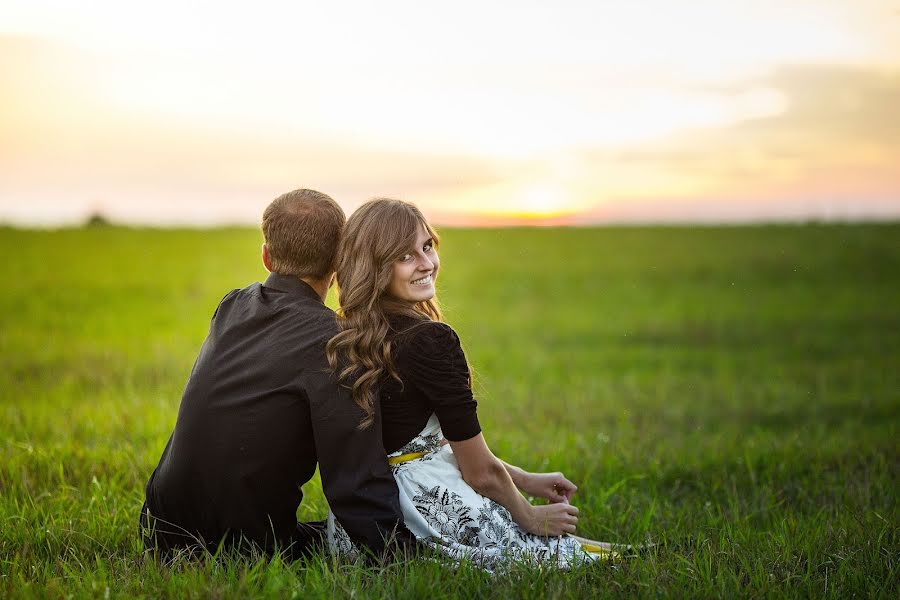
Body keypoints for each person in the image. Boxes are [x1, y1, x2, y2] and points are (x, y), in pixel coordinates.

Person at [324, 198, 618, 569]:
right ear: (375, 266)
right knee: (575, 557)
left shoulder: (342, 336)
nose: (426, 263)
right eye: (405, 256)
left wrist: (525, 479)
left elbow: (426, 445)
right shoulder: (431, 341)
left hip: (356, 523)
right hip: (424, 508)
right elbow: (478, 470)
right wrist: (529, 515)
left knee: (585, 551)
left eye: (427, 246)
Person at [141, 189, 416, 561]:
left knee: (323, 531)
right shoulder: (336, 341)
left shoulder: (233, 305)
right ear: (338, 262)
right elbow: (355, 480)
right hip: (245, 546)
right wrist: (399, 554)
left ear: (266, 256)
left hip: (159, 528)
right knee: (346, 538)